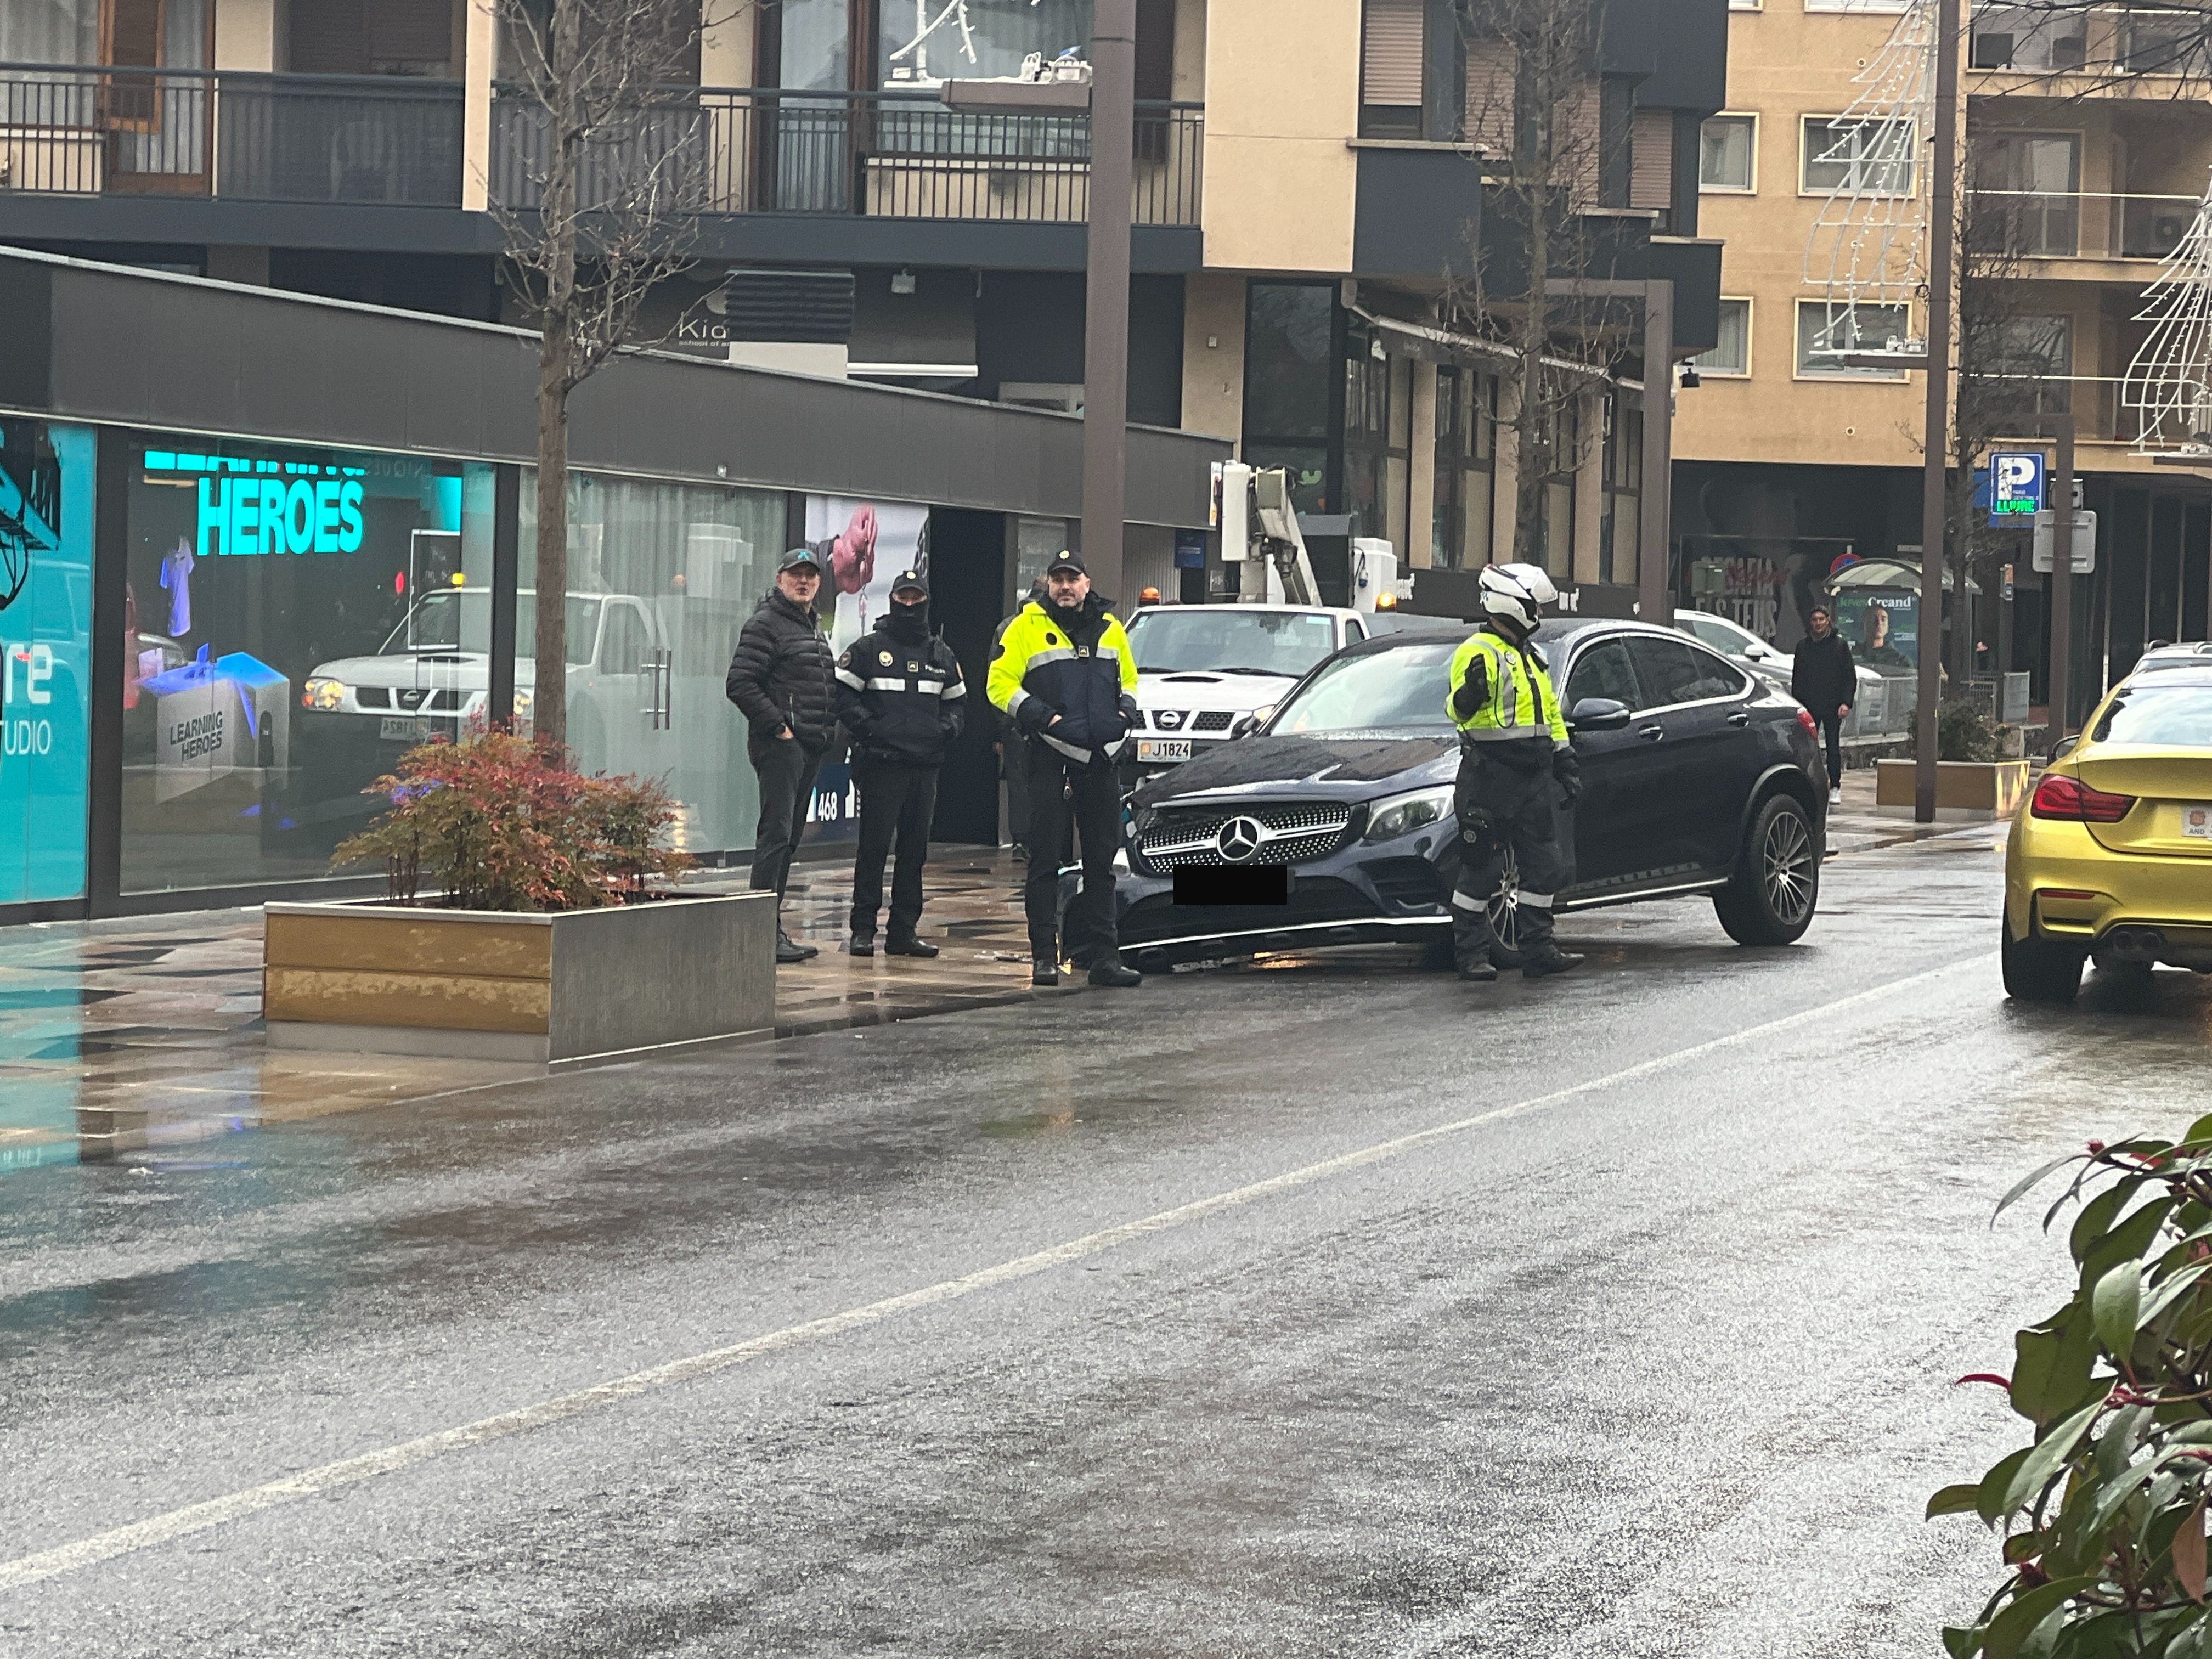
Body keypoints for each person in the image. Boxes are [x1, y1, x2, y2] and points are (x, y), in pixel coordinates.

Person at [988, 551, 1143, 990]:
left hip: (1101, 759)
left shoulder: (1112, 628)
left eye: (1072, 579)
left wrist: (1127, 712)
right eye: (1058, 579)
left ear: (1088, 584)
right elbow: (998, 685)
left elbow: (1129, 679)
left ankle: (1104, 959)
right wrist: (1045, 719)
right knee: (1044, 861)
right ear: (1049, 585)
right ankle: (1044, 957)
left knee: (1101, 863)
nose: (1065, 587)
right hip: (1050, 757)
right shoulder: (1025, 627)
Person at [1444, 562, 1583, 984]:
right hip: (1491, 776)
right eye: (1532, 606)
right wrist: (1468, 697)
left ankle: (1539, 951)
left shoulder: (1531, 656)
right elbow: (1456, 711)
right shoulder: (1476, 651)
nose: (1537, 614)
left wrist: (1565, 761)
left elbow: (1550, 717)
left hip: (1533, 778)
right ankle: (1470, 955)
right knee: (1481, 870)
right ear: (1512, 605)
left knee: (1546, 867)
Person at [834, 568, 966, 958]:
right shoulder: (868, 649)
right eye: (903, 598)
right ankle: (862, 931)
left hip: (925, 767)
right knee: (873, 850)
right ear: (892, 600)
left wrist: (946, 730)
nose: (909, 605)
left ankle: (903, 932)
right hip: (882, 765)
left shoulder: (942, 655)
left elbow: (957, 703)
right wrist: (871, 730)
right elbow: (843, 698)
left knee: (914, 852)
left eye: (916, 599)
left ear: (926, 602)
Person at [726, 549, 838, 964]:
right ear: (780, 579)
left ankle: (771, 928)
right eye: (796, 575)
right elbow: (740, 682)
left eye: (810, 576)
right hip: (780, 747)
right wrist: (780, 728)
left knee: (788, 838)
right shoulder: (766, 624)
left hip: (807, 746)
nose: (803, 582)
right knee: (774, 837)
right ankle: (760, 934)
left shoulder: (810, 626)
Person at [1791, 604, 1856, 806]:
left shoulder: (1840, 646)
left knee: (1833, 747)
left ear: (1828, 620)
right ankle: (1807, 785)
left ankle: (1835, 786)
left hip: (1833, 705)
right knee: (1807, 748)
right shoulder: (1803, 647)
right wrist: (1798, 703)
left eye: (1821, 619)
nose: (1818, 623)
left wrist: (1846, 702)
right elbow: (1798, 678)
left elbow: (1849, 677)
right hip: (1809, 704)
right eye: (1814, 620)